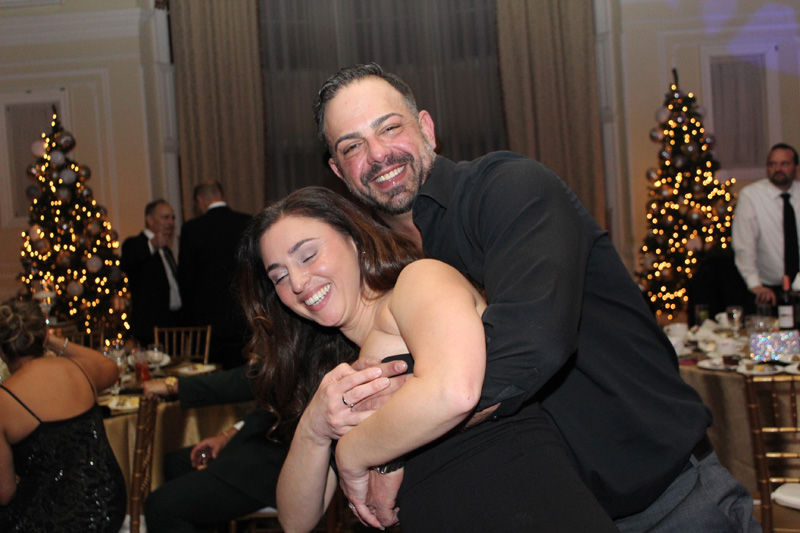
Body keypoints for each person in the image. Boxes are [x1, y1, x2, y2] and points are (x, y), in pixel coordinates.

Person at [313, 63, 759, 531]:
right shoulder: (388, 274)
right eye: (352, 146)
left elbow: (532, 341)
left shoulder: (507, 188)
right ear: (339, 171)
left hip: (671, 501)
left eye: (389, 127)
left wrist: (385, 442)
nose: (378, 154)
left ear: (426, 128)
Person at [238, 187, 618, 532]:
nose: (298, 283)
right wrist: (314, 427)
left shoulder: (419, 282)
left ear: (353, 240)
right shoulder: (341, 374)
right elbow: (296, 521)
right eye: (279, 277)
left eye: (308, 255)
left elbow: (453, 392)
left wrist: (354, 453)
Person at [0, 298, 126, 532]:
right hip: (108, 505)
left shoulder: (4, 400)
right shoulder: (79, 369)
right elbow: (110, 368)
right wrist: (53, 341)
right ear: (43, 337)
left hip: (61, 520)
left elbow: (5, 493)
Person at [142, 364, 287, 532]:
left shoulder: (304, 352)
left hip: (278, 463)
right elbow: (270, 407)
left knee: (159, 508)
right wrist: (226, 437)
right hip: (266, 444)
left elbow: (251, 379)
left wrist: (173, 386)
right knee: (176, 463)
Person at [178, 180, 252, 369]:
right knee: (240, 375)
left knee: (206, 376)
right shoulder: (246, 222)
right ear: (221, 196)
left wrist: (189, 319)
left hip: (206, 324)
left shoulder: (192, 229)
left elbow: (186, 279)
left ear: (200, 200)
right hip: (241, 317)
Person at [732, 143, 800, 306]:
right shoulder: (751, 196)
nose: (778, 169)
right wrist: (755, 285)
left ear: (796, 167)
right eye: (772, 164)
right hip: (767, 289)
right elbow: (744, 245)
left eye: (784, 164)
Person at [121, 199, 183, 346]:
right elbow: (127, 262)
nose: (171, 222)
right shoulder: (134, 243)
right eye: (165, 217)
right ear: (150, 220)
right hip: (149, 328)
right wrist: (151, 244)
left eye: (173, 218)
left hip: (172, 325)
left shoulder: (166, 251)